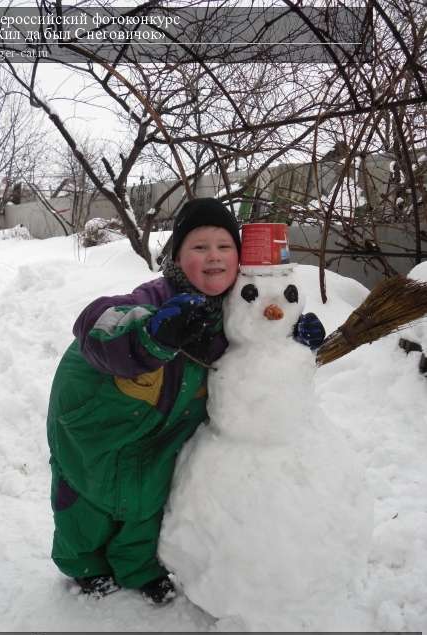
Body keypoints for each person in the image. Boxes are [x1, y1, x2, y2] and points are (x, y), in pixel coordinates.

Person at [46, 198, 325, 605]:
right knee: (84, 502)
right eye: (199, 247)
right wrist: (151, 331)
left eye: (224, 246)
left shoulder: (234, 311)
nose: (213, 256)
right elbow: (97, 321)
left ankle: (138, 567)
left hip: (159, 425)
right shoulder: (156, 298)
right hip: (97, 419)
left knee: (147, 497)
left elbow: (247, 362)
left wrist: (292, 347)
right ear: (177, 257)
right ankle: (84, 565)